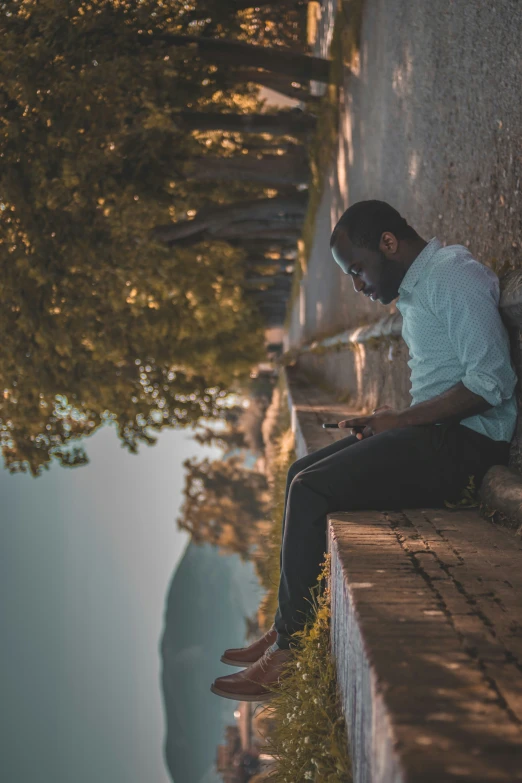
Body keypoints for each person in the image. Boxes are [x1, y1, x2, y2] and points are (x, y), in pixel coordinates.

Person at [211, 200, 517, 702]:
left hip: (470, 444)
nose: (357, 285)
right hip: (440, 435)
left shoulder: (451, 276)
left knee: (312, 490)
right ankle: (285, 624)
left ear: (389, 244)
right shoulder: (420, 289)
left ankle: (287, 652)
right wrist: (392, 421)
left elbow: (493, 382)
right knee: (298, 474)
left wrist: (401, 422)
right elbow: (446, 383)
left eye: (357, 269)